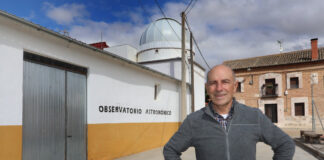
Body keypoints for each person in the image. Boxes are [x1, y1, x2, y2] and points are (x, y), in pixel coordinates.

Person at [163, 64, 295, 160]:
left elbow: (286, 145)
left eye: (225, 82)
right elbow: (170, 150)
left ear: (235, 86)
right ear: (207, 88)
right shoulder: (194, 121)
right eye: (213, 83)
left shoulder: (254, 116)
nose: (219, 88)